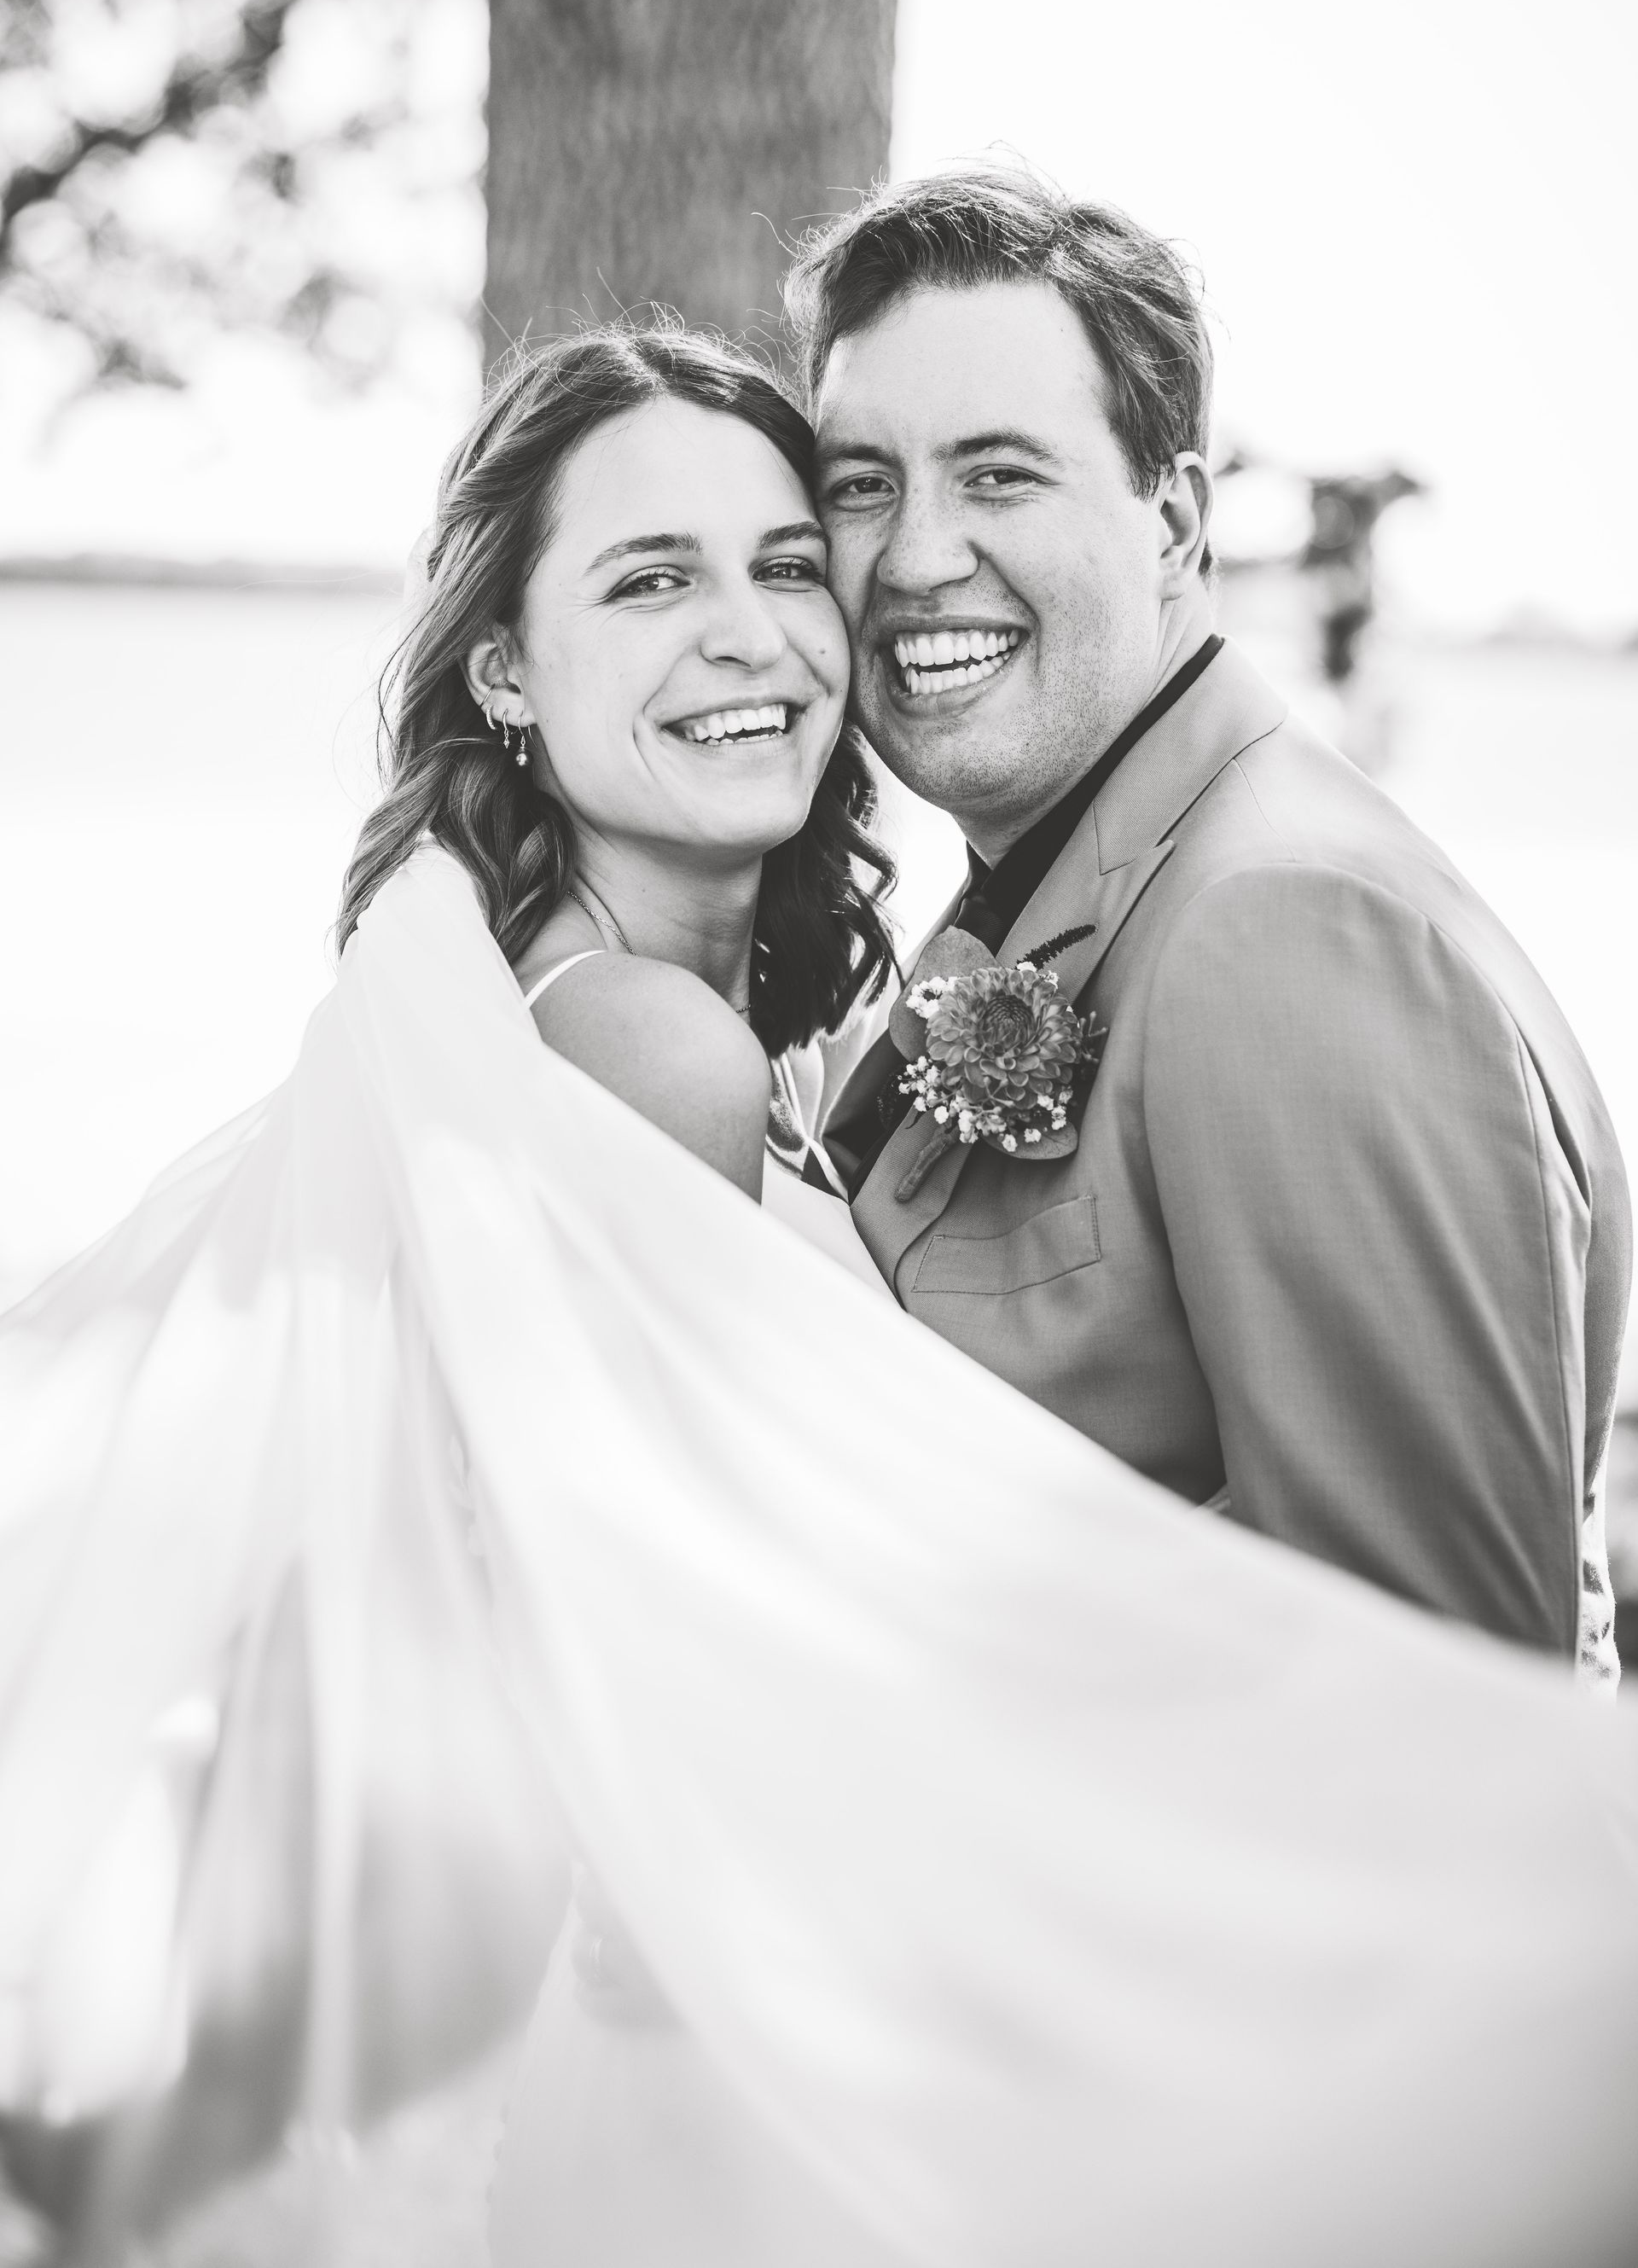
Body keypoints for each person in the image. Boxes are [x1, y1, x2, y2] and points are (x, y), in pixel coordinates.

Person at [3, 323, 1638, 2268]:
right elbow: (793, 1651)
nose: (752, 632)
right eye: (649, 576)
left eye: (788, 563)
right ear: (505, 664)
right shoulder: (644, 1059)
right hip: (703, 2048)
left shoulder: (610, 1009)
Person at [795, 168, 1631, 1687]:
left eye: (998, 475)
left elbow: (1441, 1703)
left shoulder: (1288, 930)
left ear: (1174, 520)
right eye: (862, 484)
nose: (915, 557)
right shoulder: (1060, 887)